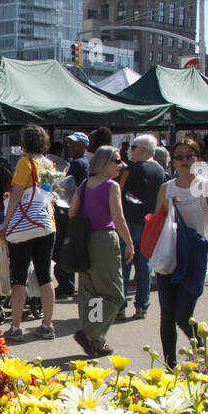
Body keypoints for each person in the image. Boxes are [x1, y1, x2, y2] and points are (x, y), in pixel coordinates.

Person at [154, 137, 208, 368]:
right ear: (173, 161)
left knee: (183, 316)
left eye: (190, 155)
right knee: (167, 316)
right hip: (169, 256)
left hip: (195, 258)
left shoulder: (207, 186)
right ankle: (170, 366)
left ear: (197, 159)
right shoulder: (167, 188)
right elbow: (156, 221)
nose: (185, 160)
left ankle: (206, 357)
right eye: (179, 156)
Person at [67, 145, 134, 358]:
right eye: (117, 160)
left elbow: (71, 212)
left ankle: (96, 340)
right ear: (104, 163)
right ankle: (90, 335)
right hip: (104, 240)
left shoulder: (85, 185)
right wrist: (130, 243)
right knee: (114, 295)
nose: (121, 165)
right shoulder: (111, 186)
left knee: (93, 295)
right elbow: (119, 218)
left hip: (84, 240)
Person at [0, 124, 57, 343]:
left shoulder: (25, 163)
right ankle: (47, 325)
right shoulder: (49, 164)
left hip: (24, 227)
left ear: (25, 142)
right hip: (46, 224)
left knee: (19, 278)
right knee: (45, 276)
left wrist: (5, 224)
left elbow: (16, 194)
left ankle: (15, 327)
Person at [120, 133, 166, 320]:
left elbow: (119, 193)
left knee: (124, 266)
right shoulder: (161, 170)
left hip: (129, 223)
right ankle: (142, 306)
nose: (131, 151)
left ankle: (120, 307)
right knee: (144, 266)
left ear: (144, 149)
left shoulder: (132, 169)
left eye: (134, 147)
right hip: (150, 224)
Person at [54, 133, 90, 299]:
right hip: (72, 212)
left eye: (75, 144)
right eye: (69, 144)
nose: (71, 147)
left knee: (62, 247)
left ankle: (66, 283)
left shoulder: (78, 164)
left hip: (69, 212)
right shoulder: (81, 163)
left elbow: (72, 189)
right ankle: (67, 283)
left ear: (84, 146)